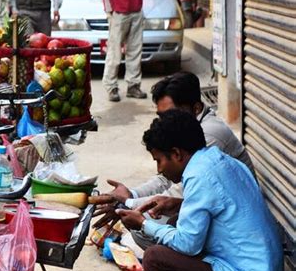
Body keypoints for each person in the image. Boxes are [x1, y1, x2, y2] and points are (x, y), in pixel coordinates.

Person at [115, 110, 283, 271]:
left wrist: (143, 224)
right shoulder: (221, 161)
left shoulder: (199, 175)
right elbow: (223, 209)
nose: (160, 169)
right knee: (173, 221)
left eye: (159, 160)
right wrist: (179, 204)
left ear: (177, 154)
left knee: (154, 259)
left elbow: (188, 244)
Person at [93, 72, 255, 241]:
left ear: (197, 108)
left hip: (233, 225)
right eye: (161, 116)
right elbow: (167, 178)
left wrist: (130, 205)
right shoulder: (187, 133)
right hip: (220, 214)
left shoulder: (210, 135)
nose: (166, 121)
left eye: (171, 113)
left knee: (146, 232)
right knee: (150, 223)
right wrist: (132, 196)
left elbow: (180, 192)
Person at [100, 0, 147, 102]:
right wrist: (109, 10)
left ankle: (133, 85)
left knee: (135, 50)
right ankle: (111, 86)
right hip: (119, 11)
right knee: (114, 51)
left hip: (136, 8)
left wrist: (139, 1)